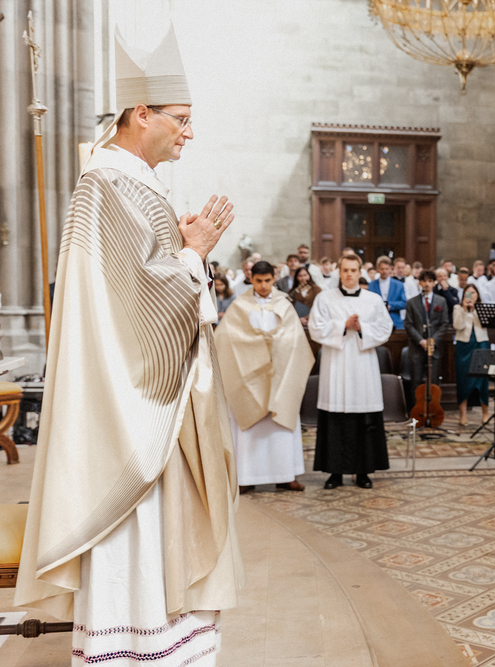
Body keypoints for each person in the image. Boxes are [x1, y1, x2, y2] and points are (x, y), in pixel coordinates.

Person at [16, 27, 243, 664]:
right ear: (142, 113)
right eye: (181, 119)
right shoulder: (111, 184)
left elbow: (143, 286)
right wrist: (193, 255)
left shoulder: (131, 183)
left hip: (153, 397)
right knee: (139, 535)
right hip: (135, 406)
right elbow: (140, 310)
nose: (189, 133)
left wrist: (185, 250)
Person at [215, 261, 313, 493]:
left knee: (282, 425)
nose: (263, 286)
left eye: (267, 280)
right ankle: (246, 478)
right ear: (251, 279)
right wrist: (258, 343)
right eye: (258, 281)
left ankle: (286, 476)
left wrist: (276, 342)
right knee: (250, 426)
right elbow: (227, 339)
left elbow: (295, 339)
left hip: (280, 373)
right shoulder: (240, 305)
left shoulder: (284, 304)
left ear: (274, 278)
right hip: (250, 376)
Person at [309, 253, 393, 489]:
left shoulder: (373, 300)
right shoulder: (325, 298)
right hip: (335, 365)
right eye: (345, 270)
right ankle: (334, 473)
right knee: (335, 419)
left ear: (360, 272)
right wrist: (342, 326)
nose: (349, 274)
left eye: (353, 270)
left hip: (363, 365)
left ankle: (363, 472)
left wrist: (362, 327)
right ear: (339, 272)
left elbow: (385, 328)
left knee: (364, 419)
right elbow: (315, 328)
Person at [405, 270, 449, 409]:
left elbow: (444, 323)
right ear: (419, 283)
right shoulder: (412, 302)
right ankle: (416, 412)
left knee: (433, 381)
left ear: (434, 283)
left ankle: (433, 410)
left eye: (430, 281)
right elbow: (408, 324)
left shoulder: (441, 301)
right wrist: (421, 341)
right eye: (424, 281)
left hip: (434, 347)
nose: (427, 284)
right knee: (416, 382)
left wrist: (432, 341)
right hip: (417, 347)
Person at [453, 283, 491, 426]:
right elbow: (458, 326)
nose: (470, 296)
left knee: (482, 379)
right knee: (463, 379)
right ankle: (463, 415)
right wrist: (464, 309)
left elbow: (485, 324)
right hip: (464, 346)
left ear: (477, 295)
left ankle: (485, 413)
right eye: (467, 293)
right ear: (463, 295)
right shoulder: (457, 308)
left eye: (473, 293)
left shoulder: (482, 308)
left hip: (481, 344)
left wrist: (475, 309)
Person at [369, 255, 407, 328]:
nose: (384, 271)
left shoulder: (399, 285)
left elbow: (404, 303)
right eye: (382, 269)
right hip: (376, 322)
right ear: (377, 269)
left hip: (395, 321)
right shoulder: (372, 285)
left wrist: (390, 305)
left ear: (390, 269)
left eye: (386, 269)